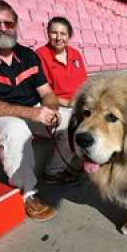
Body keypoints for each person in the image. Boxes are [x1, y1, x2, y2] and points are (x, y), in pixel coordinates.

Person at [0, 0, 70, 222]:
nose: (3, 28)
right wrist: (33, 113)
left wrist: (50, 109)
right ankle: (28, 193)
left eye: (8, 23)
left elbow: (47, 93)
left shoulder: (28, 55)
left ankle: (54, 170)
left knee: (74, 121)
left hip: (32, 111)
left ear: (16, 24)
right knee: (16, 127)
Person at [35, 16, 87, 183]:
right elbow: (42, 92)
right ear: (48, 33)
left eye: (63, 33)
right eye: (54, 33)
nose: (58, 37)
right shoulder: (40, 54)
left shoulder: (75, 54)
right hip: (55, 104)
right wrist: (67, 103)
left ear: (69, 35)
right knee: (71, 125)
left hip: (78, 103)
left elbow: (84, 83)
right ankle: (53, 171)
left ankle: (82, 161)